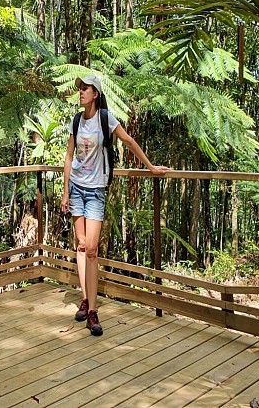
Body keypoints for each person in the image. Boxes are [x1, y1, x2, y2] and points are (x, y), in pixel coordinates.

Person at [60, 74, 169, 336]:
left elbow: (128, 141)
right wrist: (64, 192)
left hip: (96, 190)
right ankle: (85, 301)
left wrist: (151, 167)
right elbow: (69, 156)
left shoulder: (105, 118)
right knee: (82, 245)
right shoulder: (76, 121)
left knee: (93, 249)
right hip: (76, 189)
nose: (81, 93)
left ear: (95, 93)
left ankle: (94, 311)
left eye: (85, 89)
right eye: (80, 89)